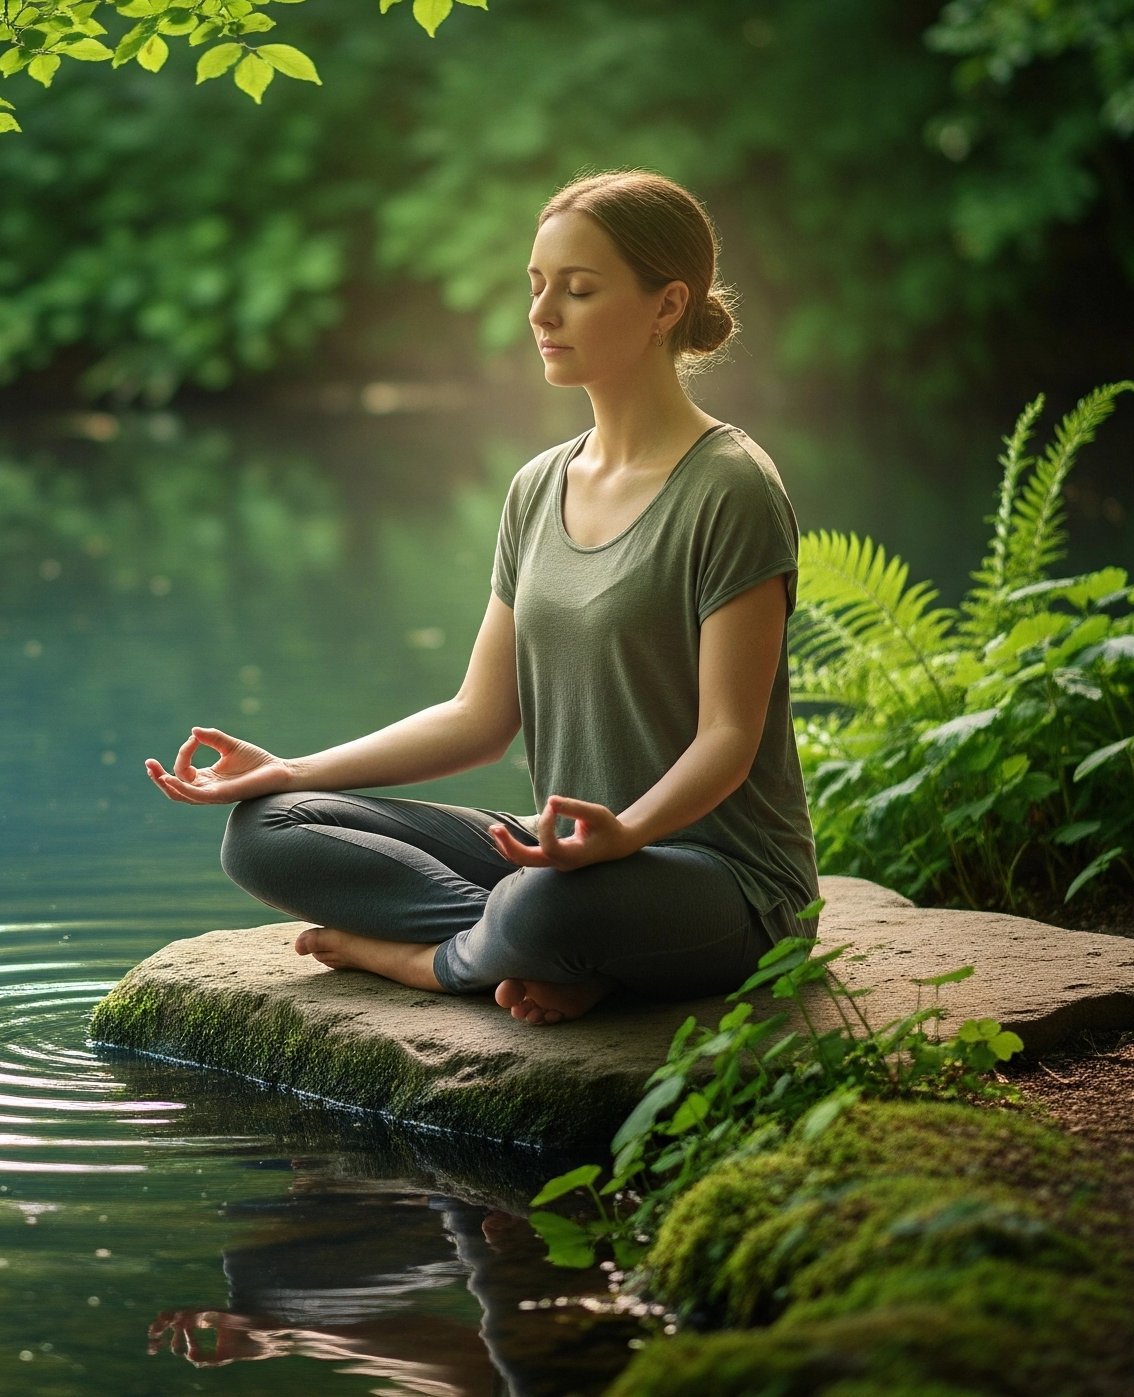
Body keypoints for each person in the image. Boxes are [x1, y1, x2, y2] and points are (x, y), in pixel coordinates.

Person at [145, 170, 818, 1025]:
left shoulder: (731, 488)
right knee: (267, 830)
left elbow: (729, 737)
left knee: (547, 906)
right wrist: (290, 768)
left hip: (723, 884)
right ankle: (549, 957)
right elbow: (478, 715)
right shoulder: (538, 487)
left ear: (666, 306)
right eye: (537, 287)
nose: (542, 315)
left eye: (578, 290)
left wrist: (628, 835)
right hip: (570, 861)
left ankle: (432, 960)